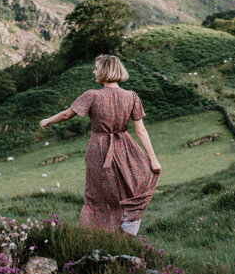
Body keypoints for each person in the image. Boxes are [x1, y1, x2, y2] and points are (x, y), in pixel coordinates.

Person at [39, 54, 162, 236]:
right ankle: (124, 233)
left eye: (96, 68)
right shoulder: (131, 97)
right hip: (125, 148)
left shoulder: (92, 95)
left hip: (99, 147)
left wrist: (47, 120)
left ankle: (92, 235)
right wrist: (153, 160)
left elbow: (66, 115)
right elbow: (141, 131)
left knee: (95, 196)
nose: (94, 71)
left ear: (104, 71)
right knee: (125, 191)